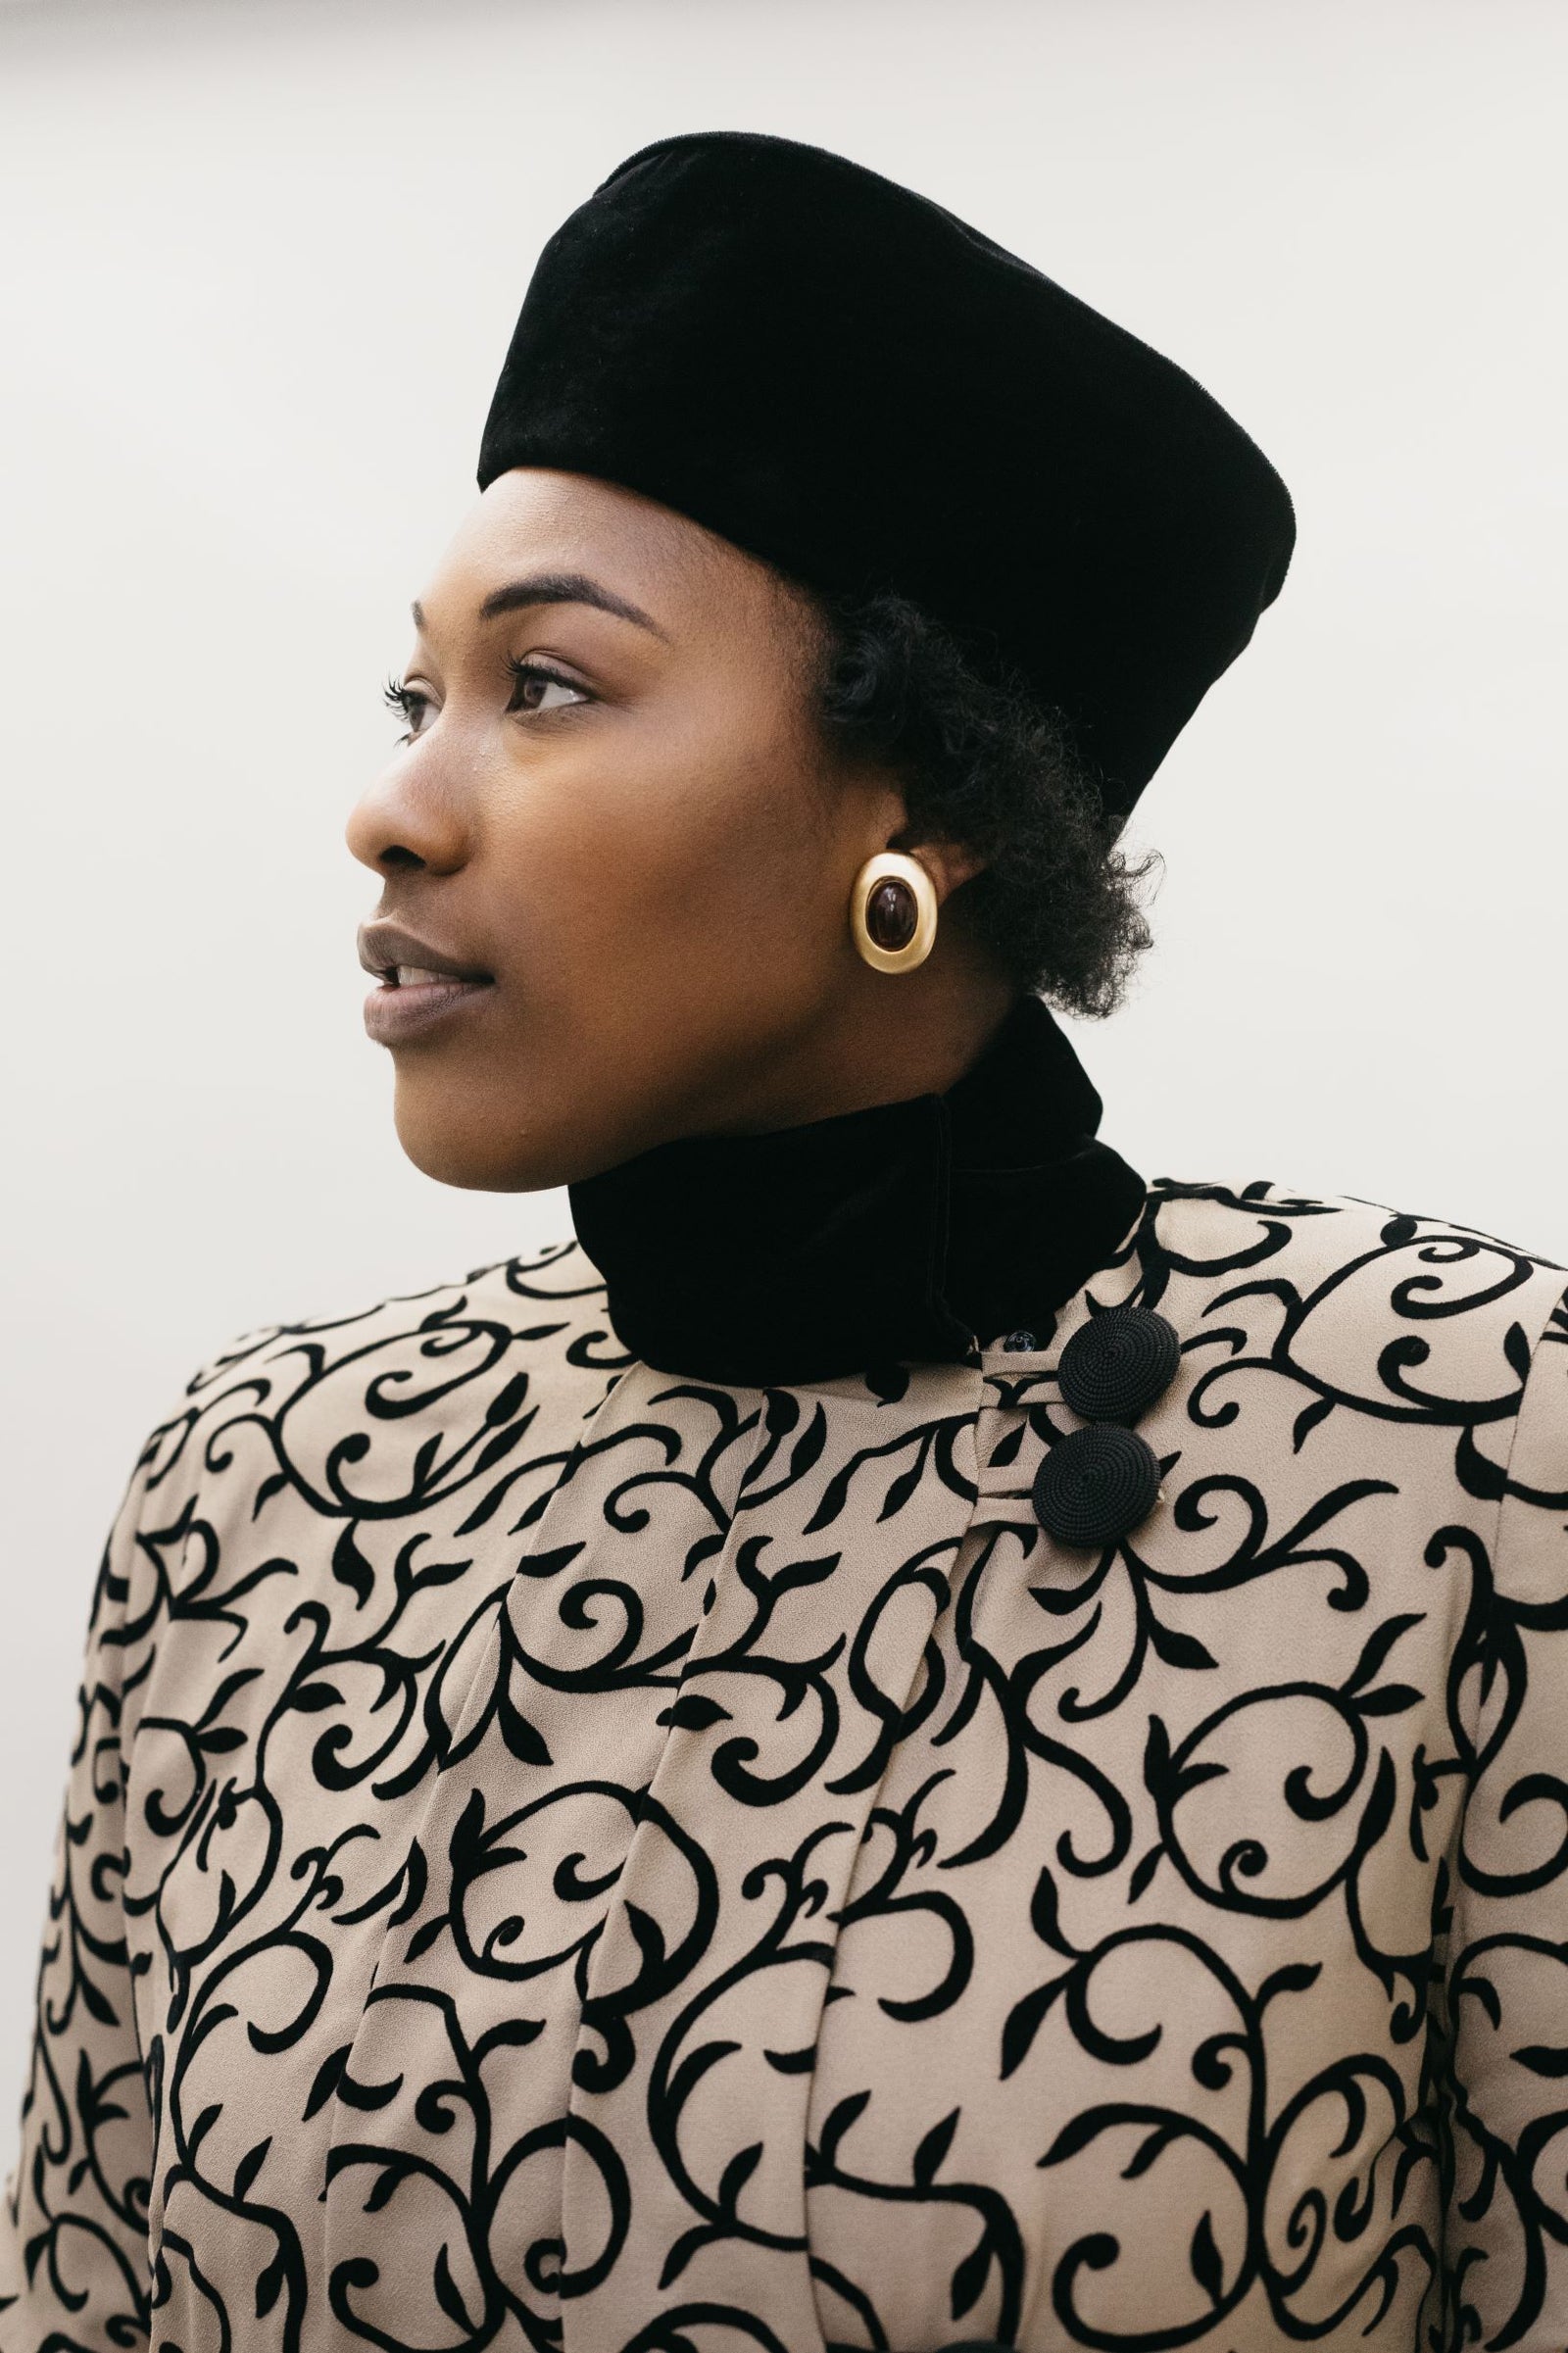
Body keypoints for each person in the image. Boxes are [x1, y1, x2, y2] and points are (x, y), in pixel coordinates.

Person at [2, 128, 1564, 2353]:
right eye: (410, 693)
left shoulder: (1470, 1452)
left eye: (544, 686)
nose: (396, 800)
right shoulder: (262, 1481)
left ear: (917, 802)